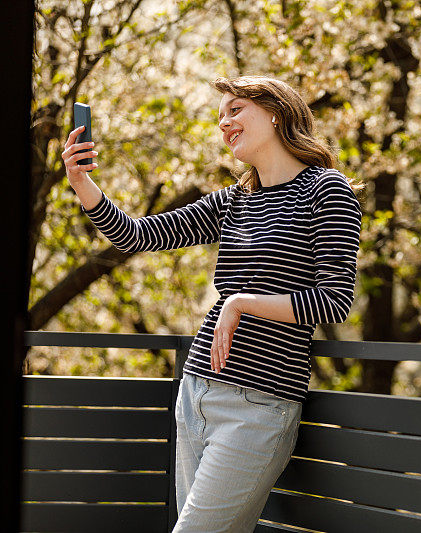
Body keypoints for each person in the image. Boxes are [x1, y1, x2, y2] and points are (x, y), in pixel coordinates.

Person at [61, 75, 363, 532]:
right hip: (196, 391)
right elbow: (137, 235)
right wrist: (83, 183)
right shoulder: (235, 200)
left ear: (276, 111)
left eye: (235, 110)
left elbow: (334, 300)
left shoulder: (327, 191)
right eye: (220, 117)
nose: (224, 124)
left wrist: (241, 302)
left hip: (259, 405)